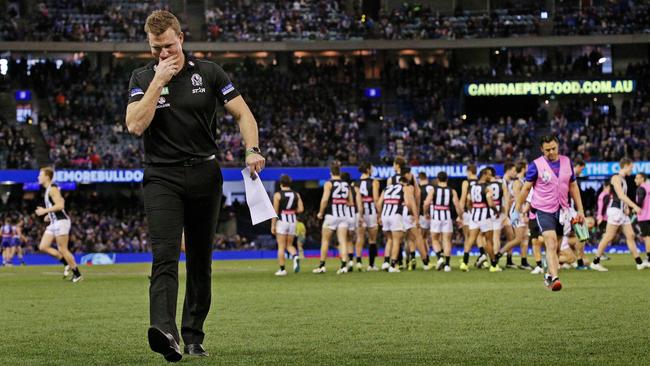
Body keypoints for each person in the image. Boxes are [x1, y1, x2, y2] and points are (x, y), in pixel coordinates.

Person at [125, 10, 265, 362]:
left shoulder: (210, 72)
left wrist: (252, 150)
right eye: (157, 48)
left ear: (181, 38)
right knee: (165, 257)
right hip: (161, 176)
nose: (164, 54)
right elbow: (135, 125)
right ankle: (165, 333)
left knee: (201, 261)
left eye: (169, 46)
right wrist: (159, 81)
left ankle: (193, 335)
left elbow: (243, 114)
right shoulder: (142, 77)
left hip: (205, 174)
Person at [515, 136, 585, 291]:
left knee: (557, 248)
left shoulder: (567, 162)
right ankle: (555, 279)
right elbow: (526, 188)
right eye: (547, 149)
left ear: (558, 146)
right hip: (543, 210)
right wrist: (516, 209)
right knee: (551, 242)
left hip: (563, 211)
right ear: (542, 149)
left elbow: (573, 187)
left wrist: (580, 210)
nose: (551, 152)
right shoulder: (535, 165)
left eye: (554, 148)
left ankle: (548, 274)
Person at [590, 158, 646, 271]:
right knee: (608, 237)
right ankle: (595, 262)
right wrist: (634, 206)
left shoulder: (623, 179)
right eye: (631, 167)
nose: (632, 170)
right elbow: (620, 195)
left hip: (621, 212)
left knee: (630, 236)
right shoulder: (616, 178)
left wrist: (626, 207)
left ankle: (639, 263)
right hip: (615, 211)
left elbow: (622, 197)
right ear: (626, 165)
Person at [35, 167, 82, 282]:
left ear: (47, 177)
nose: (38, 177)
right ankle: (66, 263)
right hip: (54, 221)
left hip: (61, 222)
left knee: (63, 249)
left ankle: (77, 274)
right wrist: (49, 215)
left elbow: (61, 205)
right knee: (43, 246)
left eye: (40, 175)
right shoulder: (49, 189)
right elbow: (59, 204)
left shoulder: (52, 189)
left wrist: (45, 211)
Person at [313, 161, 352, 274]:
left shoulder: (329, 184)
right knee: (342, 241)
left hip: (331, 215)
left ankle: (322, 265)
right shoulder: (346, 184)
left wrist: (320, 212)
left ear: (331, 173)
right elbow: (350, 202)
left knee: (325, 241)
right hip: (343, 215)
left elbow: (325, 199)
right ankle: (344, 265)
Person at [461, 168, 500, 272]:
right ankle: (493, 265)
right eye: (489, 175)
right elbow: (491, 203)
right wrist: (496, 211)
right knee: (489, 241)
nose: (490, 177)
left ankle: (464, 263)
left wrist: (472, 211)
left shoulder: (473, 187)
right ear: (485, 174)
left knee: (470, 239)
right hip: (485, 216)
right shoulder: (488, 188)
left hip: (474, 215)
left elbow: (468, 202)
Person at [423, 171, 463, 272]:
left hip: (436, 216)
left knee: (435, 239)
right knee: (446, 240)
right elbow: (457, 206)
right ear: (447, 179)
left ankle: (440, 258)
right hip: (447, 216)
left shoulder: (433, 190)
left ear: (437, 179)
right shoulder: (452, 191)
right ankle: (447, 265)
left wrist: (426, 213)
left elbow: (426, 203)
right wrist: (460, 217)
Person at [378, 175, 418, 273]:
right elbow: (408, 203)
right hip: (395, 215)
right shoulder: (404, 188)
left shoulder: (386, 188)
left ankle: (386, 262)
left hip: (385, 214)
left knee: (389, 239)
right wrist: (411, 213)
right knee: (396, 240)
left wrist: (379, 216)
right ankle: (392, 265)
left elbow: (379, 203)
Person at [271, 174, 303, 276]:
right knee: (289, 245)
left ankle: (282, 269)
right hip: (293, 220)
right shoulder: (296, 194)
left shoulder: (277, 195)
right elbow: (301, 209)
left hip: (282, 221)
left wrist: (273, 225)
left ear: (281, 183)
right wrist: (293, 211)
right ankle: (295, 256)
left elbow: (275, 211)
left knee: (281, 246)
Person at [355, 162, 380, 271]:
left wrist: (360, 214)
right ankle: (371, 265)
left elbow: (358, 200)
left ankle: (359, 262)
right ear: (368, 169)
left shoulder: (355, 183)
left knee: (360, 237)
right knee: (372, 239)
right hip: (371, 212)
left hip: (360, 212)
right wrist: (380, 214)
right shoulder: (374, 182)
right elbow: (375, 199)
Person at [635, 173, 650, 266]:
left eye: (637, 178)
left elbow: (639, 202)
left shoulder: (641, 188)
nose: (635, 180)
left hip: (644, 216)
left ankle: (649, 259)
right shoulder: (649, 187)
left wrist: (635, 207)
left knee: (647, 237)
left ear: (642, 179)